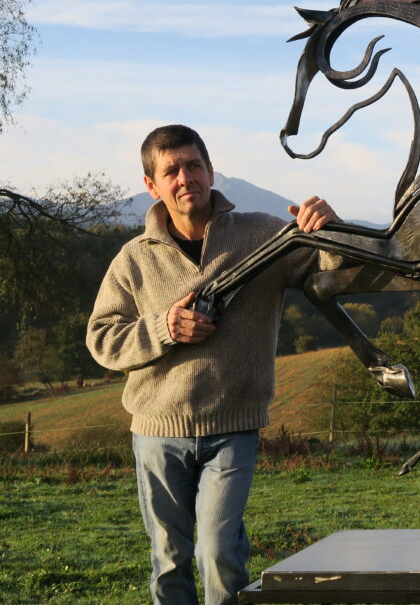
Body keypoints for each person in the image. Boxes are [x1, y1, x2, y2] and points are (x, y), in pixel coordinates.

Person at [87, 124, 341, 604]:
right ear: (152, 185)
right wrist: (165, 328)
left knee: (219, 552)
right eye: (171, 170)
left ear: (209, 169)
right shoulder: (133, 259)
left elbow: (335, 271)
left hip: (233, 427)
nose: (185, 177)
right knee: (168, 559)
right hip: (156, 431)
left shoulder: (263, 235)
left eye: (193, 165)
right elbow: (101, 339)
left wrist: (329, 231)